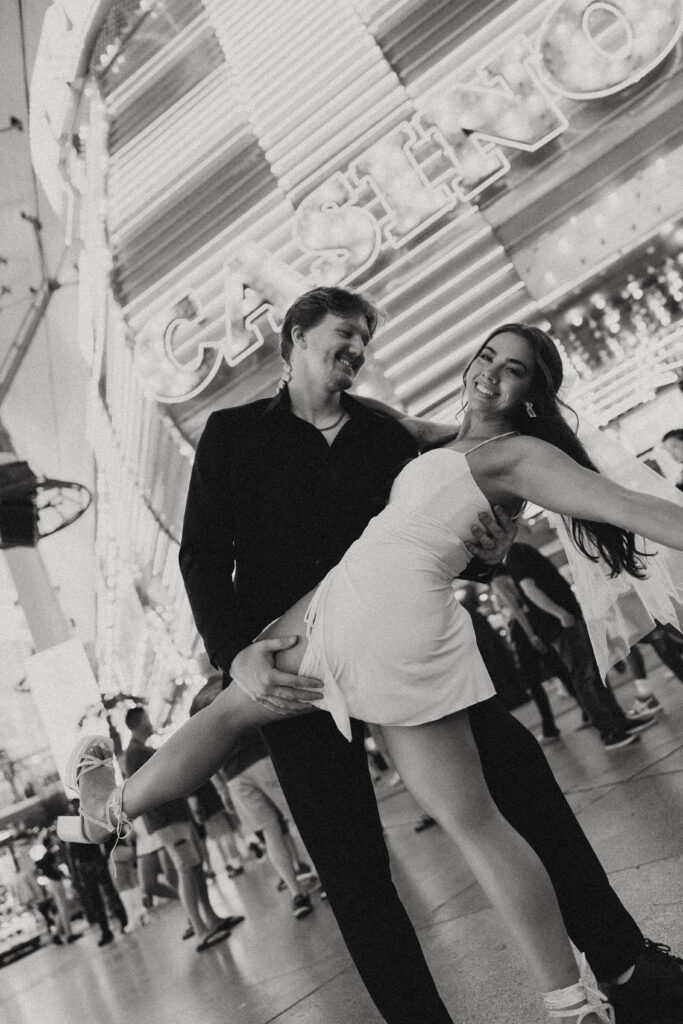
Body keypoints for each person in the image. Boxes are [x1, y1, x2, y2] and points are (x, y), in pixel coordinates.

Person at [59, 295, 683, 1024]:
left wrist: (491, 554)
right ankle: (102, 816)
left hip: (395, 634)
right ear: (293, 339)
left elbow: (465, 513)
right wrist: (236, 654)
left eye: (364, 340)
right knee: (351, 862)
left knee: (514, 802)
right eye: (343, 336)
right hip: (301, 638)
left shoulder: (387, 430)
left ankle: (615, 973)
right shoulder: (234, 433)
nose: (356, 349)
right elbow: (201, 554)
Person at [500, 543, 656, 750]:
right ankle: (610, 732)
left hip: (568, 619)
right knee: (585, 675)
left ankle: (619, 721)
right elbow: (530, 589)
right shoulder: (516, 553)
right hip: (560, 624)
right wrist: (559, 613)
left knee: (594, 672)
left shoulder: (519, 551)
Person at [121, 707, 240, 951]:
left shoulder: (137, 751)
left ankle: (211, 919)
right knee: (186, 869)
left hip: (176, 817)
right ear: (140, 721)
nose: (150, 721)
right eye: (147, 717)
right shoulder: (134, 753)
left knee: (195, 868)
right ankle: (199, 929)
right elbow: (147, 788)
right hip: (168, 821)